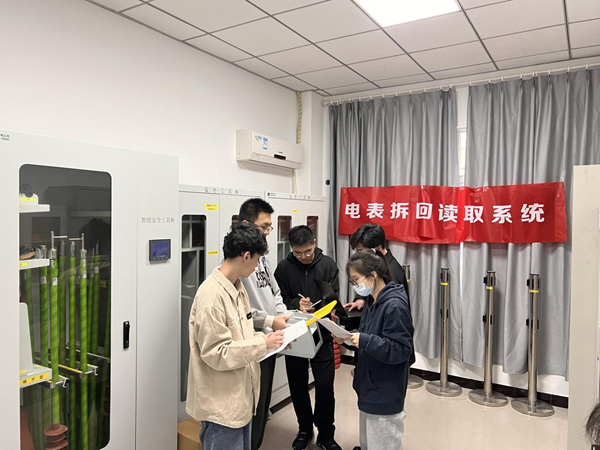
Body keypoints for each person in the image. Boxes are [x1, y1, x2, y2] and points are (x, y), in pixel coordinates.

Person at [186, 223, 286, 450]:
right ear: (246, 255)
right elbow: (217, 353)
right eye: (257, 260)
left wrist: (272, 341)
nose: (257, 266)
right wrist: (262, 343)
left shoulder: (237, 286)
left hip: (240, 399)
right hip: (221, 406)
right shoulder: (212, 296)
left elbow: (244, 331)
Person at [332, 250, 413, 450]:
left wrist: (364, 340)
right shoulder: (371, 301)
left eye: (356, 280)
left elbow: (401, 350)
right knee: (368, 442)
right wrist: (349, 338)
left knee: (383, 443)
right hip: (369, 387)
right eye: (352, 281)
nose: (355, 286)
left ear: (374, 275)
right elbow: (369, 336)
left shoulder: (394, 305)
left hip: (384, 391)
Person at [274, 225, 342, 450]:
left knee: (324, 386)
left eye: (307, 252)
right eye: (298, 253)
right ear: (291, 249)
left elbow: (334, 299)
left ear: (314, 243)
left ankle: (326, 434)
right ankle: (304, 429)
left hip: (322, 333)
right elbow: (279, 299)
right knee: (298, 385)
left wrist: (317, 307)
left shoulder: (328, 265)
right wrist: (297, 304)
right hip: (295, 334)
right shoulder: (283, 268)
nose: (303, 257)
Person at [238, 198, 290, 450]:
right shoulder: (239, 261)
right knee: (250, 408)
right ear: (246, 224)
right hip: (252, 344)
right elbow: (242, 310)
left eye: (270, 227)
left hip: (270, 340)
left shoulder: (262, 258)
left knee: (262, 406)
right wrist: (271, 321)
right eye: (264, 226)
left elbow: (275, 292)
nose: (268, 232)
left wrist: (282, 317)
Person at [345, 223, 409, 312]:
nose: (359, 255)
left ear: (378, 248)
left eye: (361, 251)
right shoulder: (375, 265)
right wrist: (361, 299)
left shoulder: (393, 273)